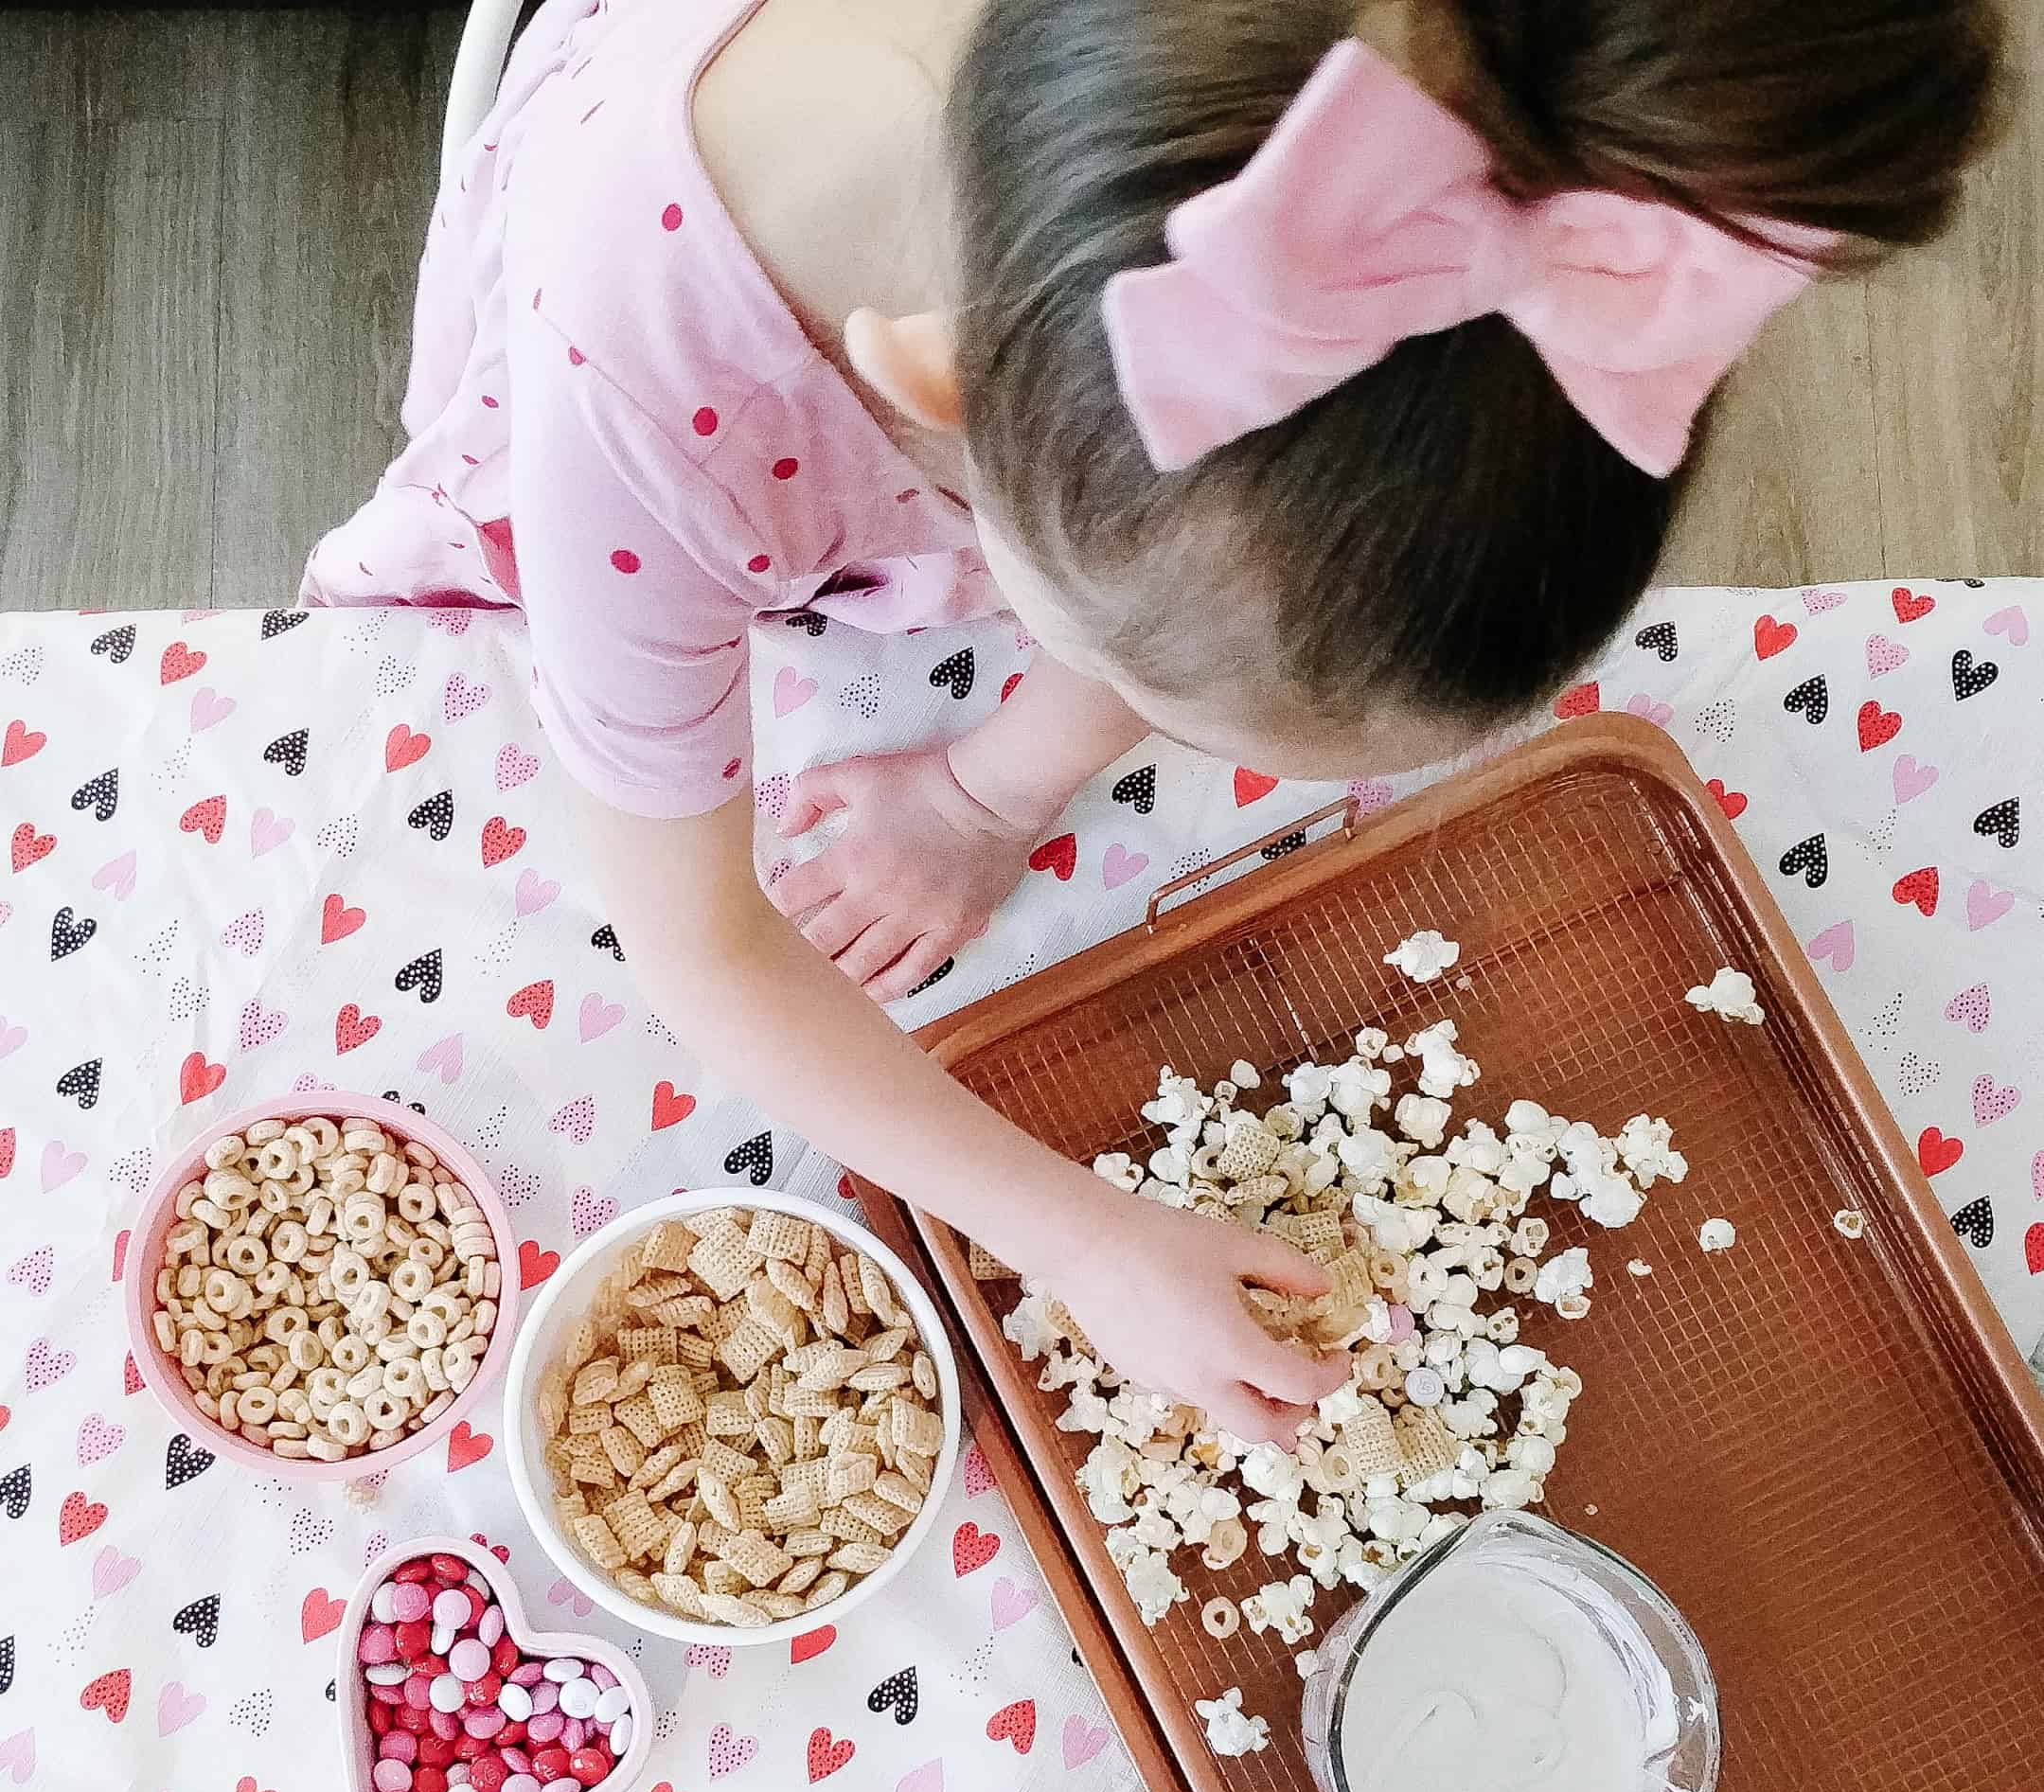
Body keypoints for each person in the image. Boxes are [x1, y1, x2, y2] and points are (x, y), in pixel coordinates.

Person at [308, 0, 2002, 1441]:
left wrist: (984, 796)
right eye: (1160, 682)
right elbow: (700, 953)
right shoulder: (630, 400)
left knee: (1183, 589)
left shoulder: (1501, 192)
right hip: (662, 307)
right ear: (951, 414)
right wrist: (1082, 1238)